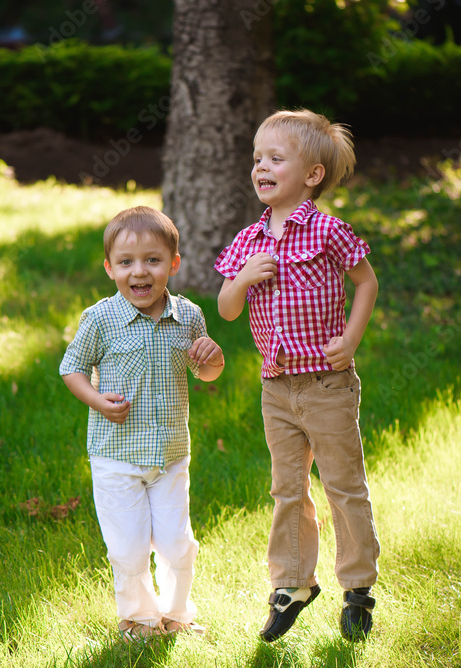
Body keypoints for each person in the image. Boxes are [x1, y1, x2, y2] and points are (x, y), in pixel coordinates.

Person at [214, 109, 380, 642]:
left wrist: (350, 339)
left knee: (343, 486)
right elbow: (226, 309)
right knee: (288, 489)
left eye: (275, 158)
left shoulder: (328, 230)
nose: (261, 166)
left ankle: (357, 589)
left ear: (311, 175)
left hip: (328, 386)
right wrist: (241, 279)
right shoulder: (248, 240)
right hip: (276, 389)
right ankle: (292, 585)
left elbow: (367, 283)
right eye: (257, 158)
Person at [60, 205, 224, 641]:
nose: (140, 272)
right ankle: (139, 620)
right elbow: (71, 369)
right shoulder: (100, 319)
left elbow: (204, 371)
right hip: (116, 456)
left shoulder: (187, 316)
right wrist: (96, 400)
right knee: (128, 549)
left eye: (153, 260)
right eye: (127, 262)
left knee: (177, 544)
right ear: (110, 267)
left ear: (173, 264)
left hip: (170, 454)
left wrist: (214, 359)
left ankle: (177, 615)